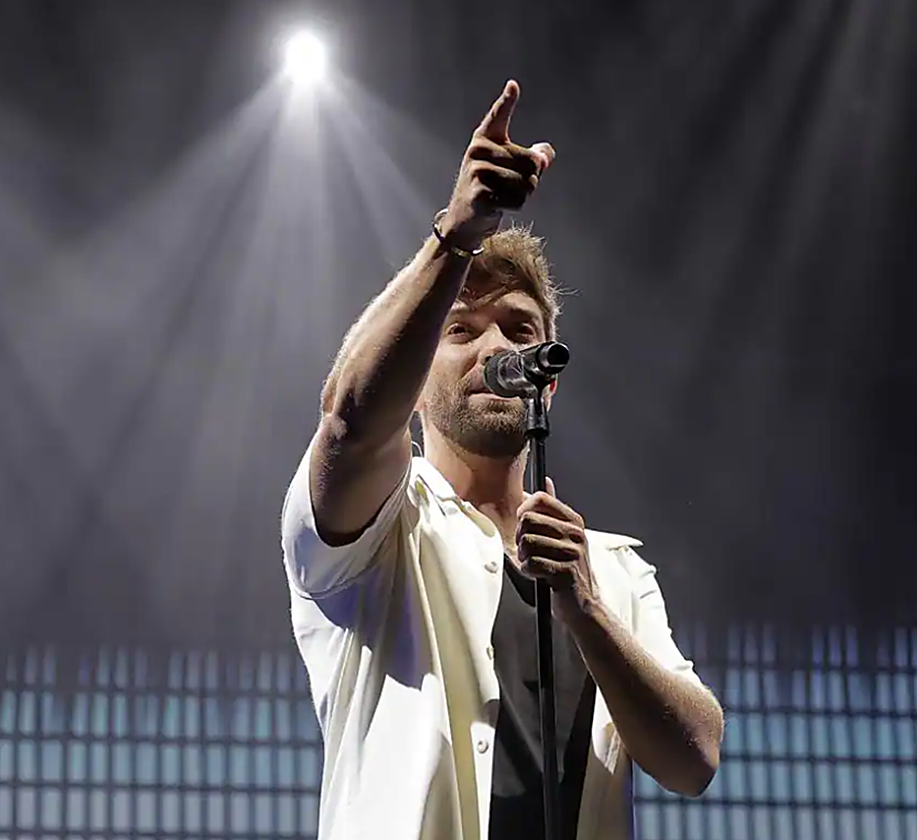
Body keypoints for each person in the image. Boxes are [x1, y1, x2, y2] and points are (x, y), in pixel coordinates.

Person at [279, 80, 724, 840]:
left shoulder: (611, 570)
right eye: (462, 330)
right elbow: (350, 421)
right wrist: (456, 236)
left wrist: (586, 609)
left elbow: (695, 758)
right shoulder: (384, 536)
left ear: (549, 375)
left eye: (520, 329)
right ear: (417, 378)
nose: (496, 348)